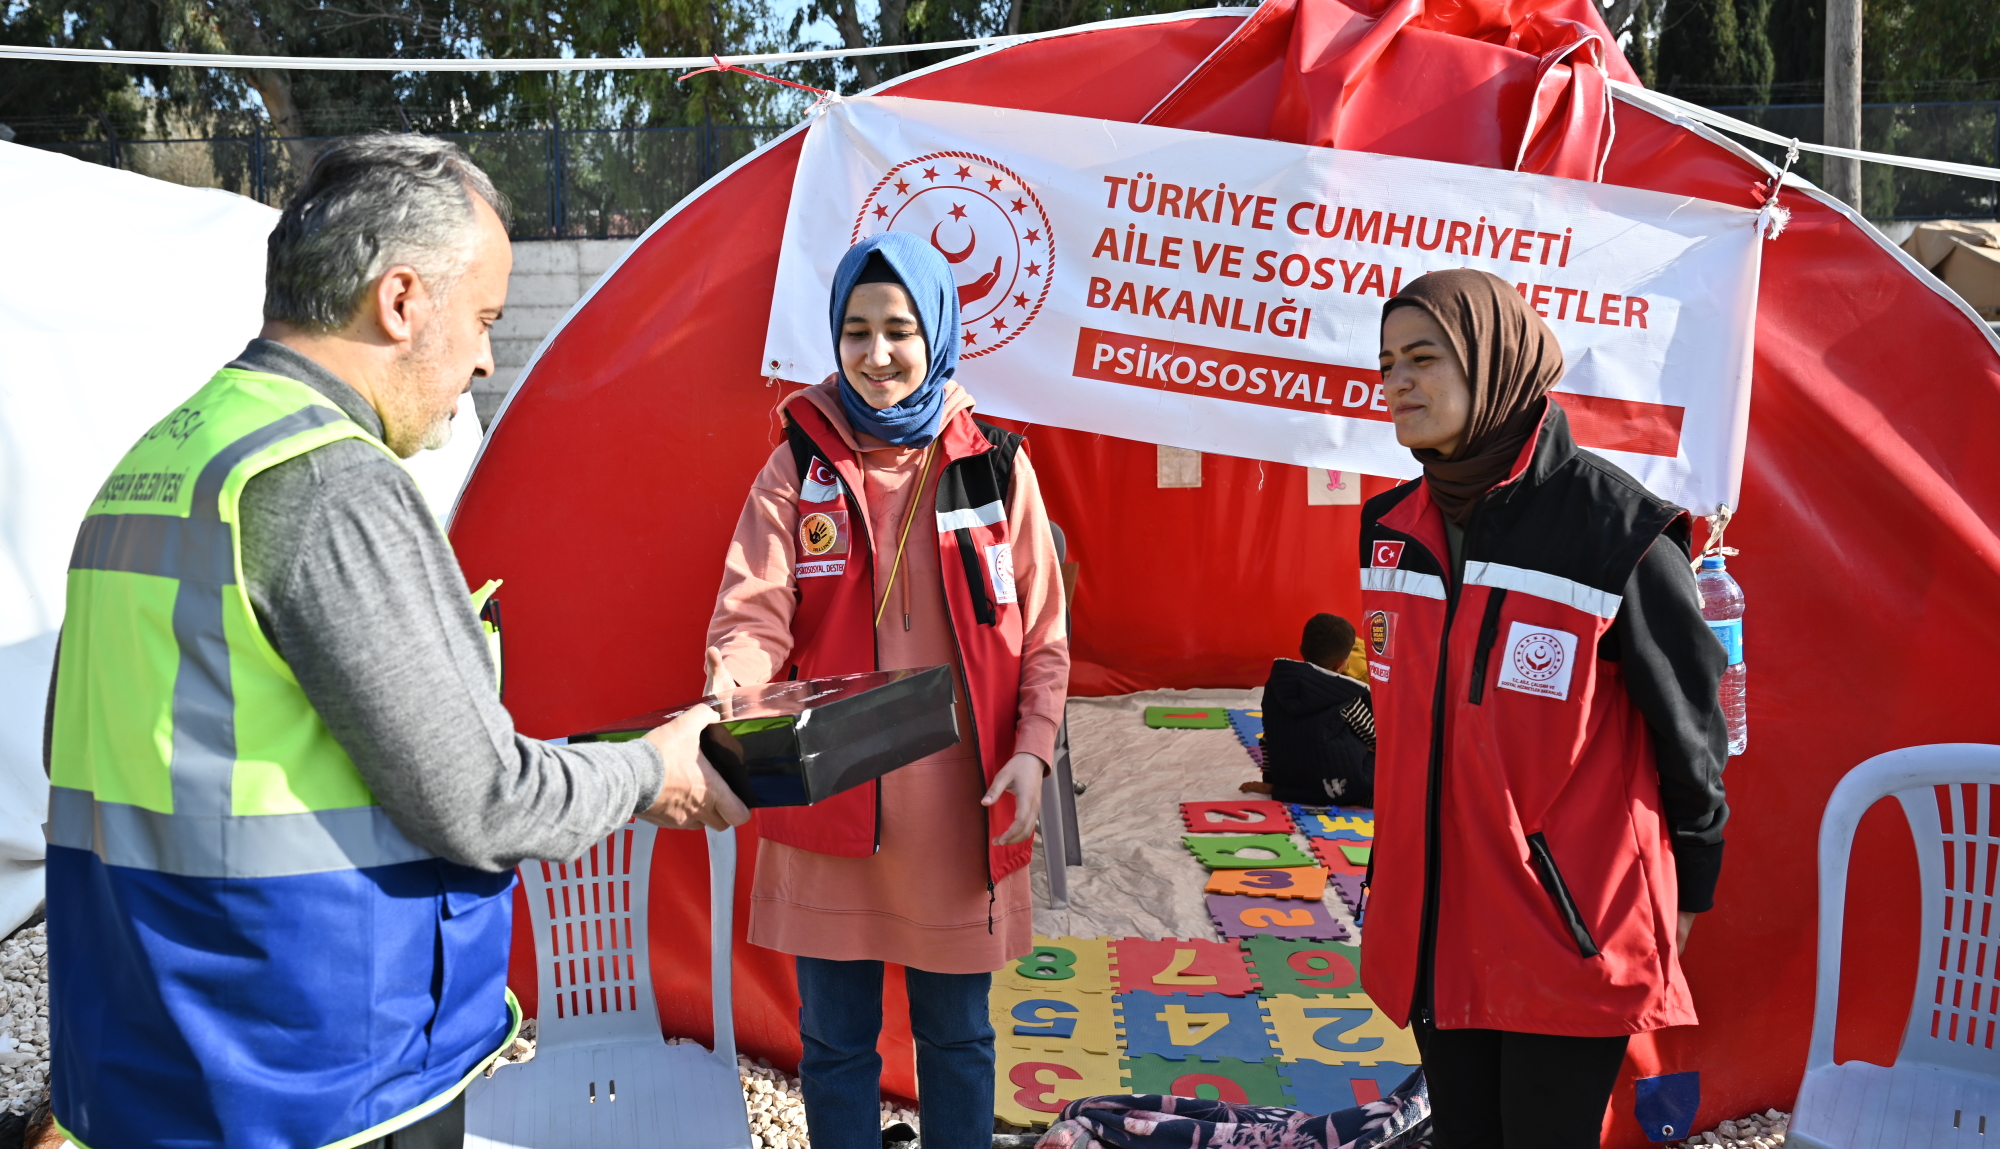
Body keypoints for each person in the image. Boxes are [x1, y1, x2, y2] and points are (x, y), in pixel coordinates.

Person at [42, 135, 749, 1149]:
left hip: (145, 1053)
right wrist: (650, 772)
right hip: (314, 1075)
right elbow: (481, 800)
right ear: (403, 300)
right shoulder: (331, 485)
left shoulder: (160, 461)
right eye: (484, 319)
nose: (483, 360)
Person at [704, 230, 1070, 1149]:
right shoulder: (796, 467)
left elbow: (1044, 641)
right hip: (828, 808)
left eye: (900, 329)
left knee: (958, 1040)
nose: (877, 356)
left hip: (960, 809)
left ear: (940, 331)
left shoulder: (998, 466)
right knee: (833, 1046)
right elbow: (750, 619)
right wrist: (725, 711)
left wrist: (1031, 753)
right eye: (856, 331)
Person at [1358, 270, 1728, 1147]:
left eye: (1423, 357)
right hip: (1439, 922)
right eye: (1385, 364)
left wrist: (1692, 884)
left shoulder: (1618, 531)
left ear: (1493, 364)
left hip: (1568, 926)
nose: (1398, 383)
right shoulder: (1389, 526)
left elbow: (1692, 728)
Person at [1260, 613, 1377, 806]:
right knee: (1398, 757)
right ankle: (1365, 797)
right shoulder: (1347, 697)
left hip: (1289, 783)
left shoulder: (1275, 686)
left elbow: (1268, 735)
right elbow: (1377, 740)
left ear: (1301, 648)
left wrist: (1272, 776)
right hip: (1338, 787)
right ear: (1341, 664)